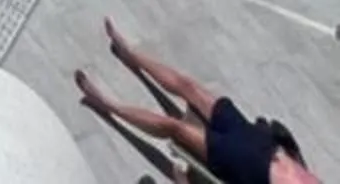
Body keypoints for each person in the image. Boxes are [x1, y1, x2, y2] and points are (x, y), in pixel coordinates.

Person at [76, 19, 320, 184]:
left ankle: (108, 105)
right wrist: (288, 147)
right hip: (255, 137)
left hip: (235, 159)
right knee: (189, 86)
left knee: (175, 127)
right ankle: (131, 54)